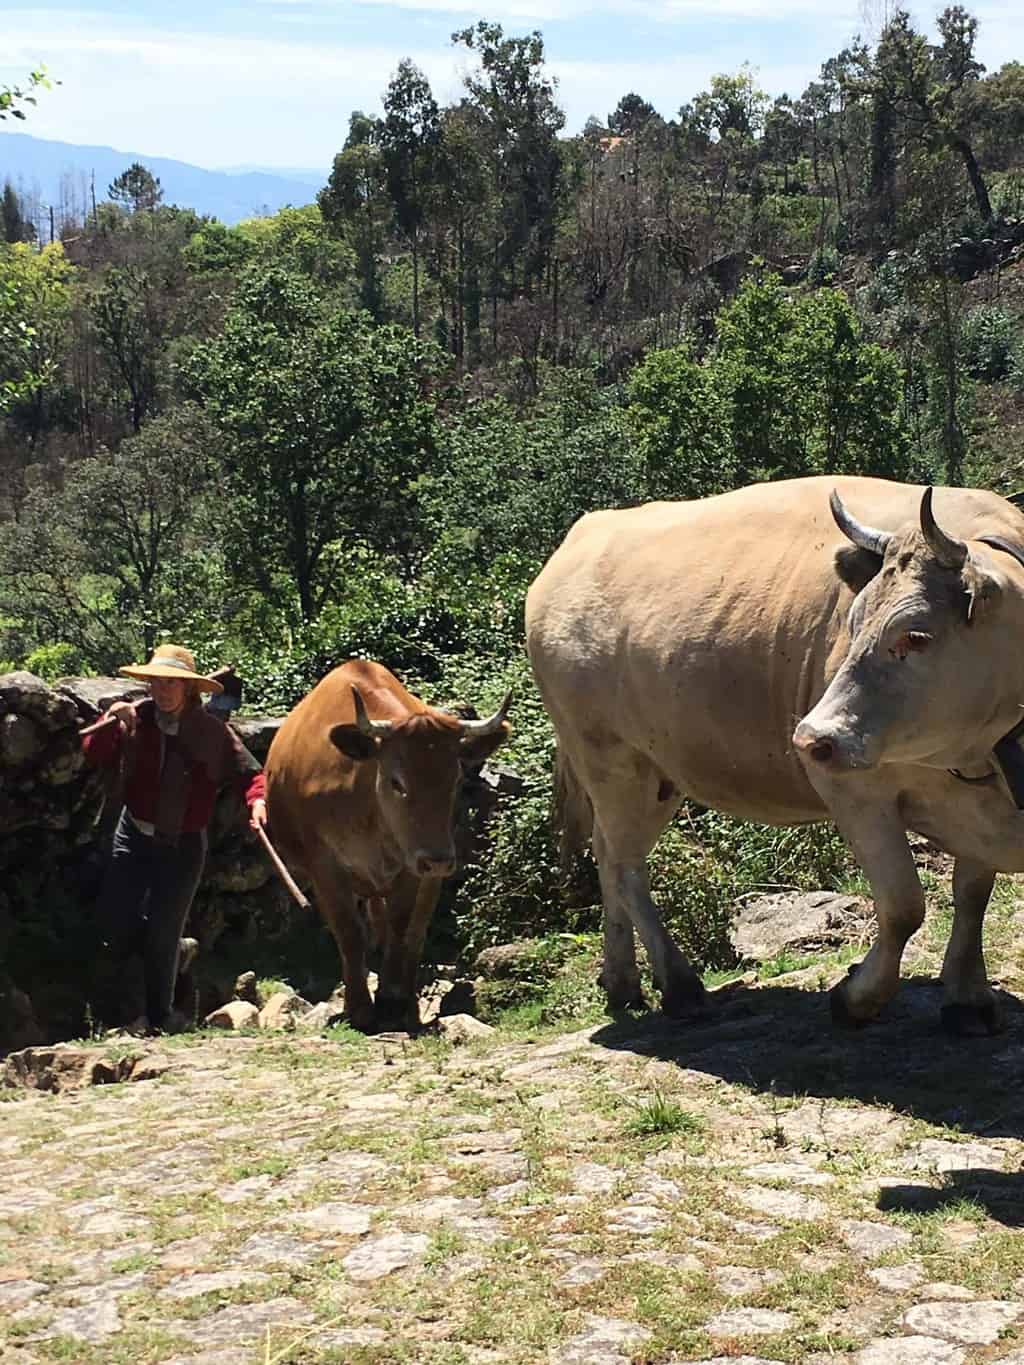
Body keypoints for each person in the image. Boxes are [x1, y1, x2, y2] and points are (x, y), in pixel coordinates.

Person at [81, 643, 267, 1035]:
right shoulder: (137, 717)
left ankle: (159, 1017)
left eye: (171, 683)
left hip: (183, 844)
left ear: (188, 690)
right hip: (133, 834)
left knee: (163, 931)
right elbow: (93, 752)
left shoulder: (211, 732)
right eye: (156, 682)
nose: (162, 690)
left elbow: (250, 773)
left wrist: (257, 802)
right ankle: (115, 1010)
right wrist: (112, 721)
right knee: (114, 920)